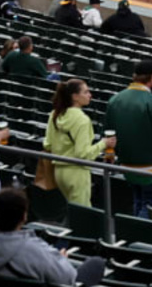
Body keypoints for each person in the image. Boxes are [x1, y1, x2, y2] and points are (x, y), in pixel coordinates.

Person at [0, 187, 107, 284]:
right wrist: (62, 260)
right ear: (24, 216)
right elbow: (68, 278)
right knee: (97, 262)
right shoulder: (33, 249)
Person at [105, 58, 152, 217]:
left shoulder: (115, 100)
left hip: (127, 164)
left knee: (139, 202)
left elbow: (107, 132)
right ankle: (139, 238)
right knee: (151, 209)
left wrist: (111, 153)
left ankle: (134, 235)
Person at [42, 76, 106, 208]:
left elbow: (47, 144)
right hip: (76, 173)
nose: (90, 95)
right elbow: (82, 154)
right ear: (75, 97)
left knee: (70, 212)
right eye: (86, 92)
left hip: (58, 172)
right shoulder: (82, 120)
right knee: (81, 215)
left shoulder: (54, 114)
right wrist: (103, 144)